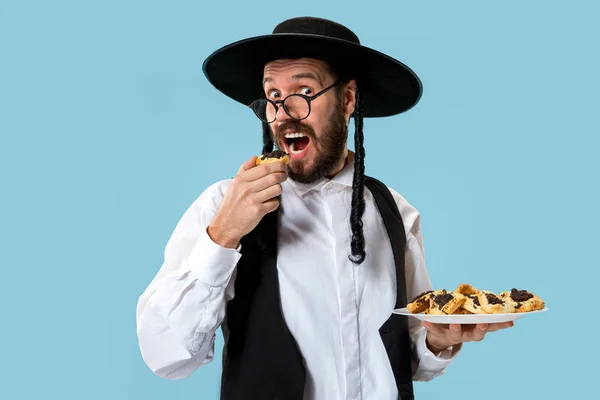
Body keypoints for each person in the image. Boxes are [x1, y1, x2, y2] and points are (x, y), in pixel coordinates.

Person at [136, 16, 513, 400]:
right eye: (272, 96)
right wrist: (223, 236)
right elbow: (166, 356)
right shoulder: (223, 206)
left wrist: (435, 340)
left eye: (303, 90)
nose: (283, 113)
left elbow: (403, 357)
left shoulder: (395, 211)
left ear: (348, 99)